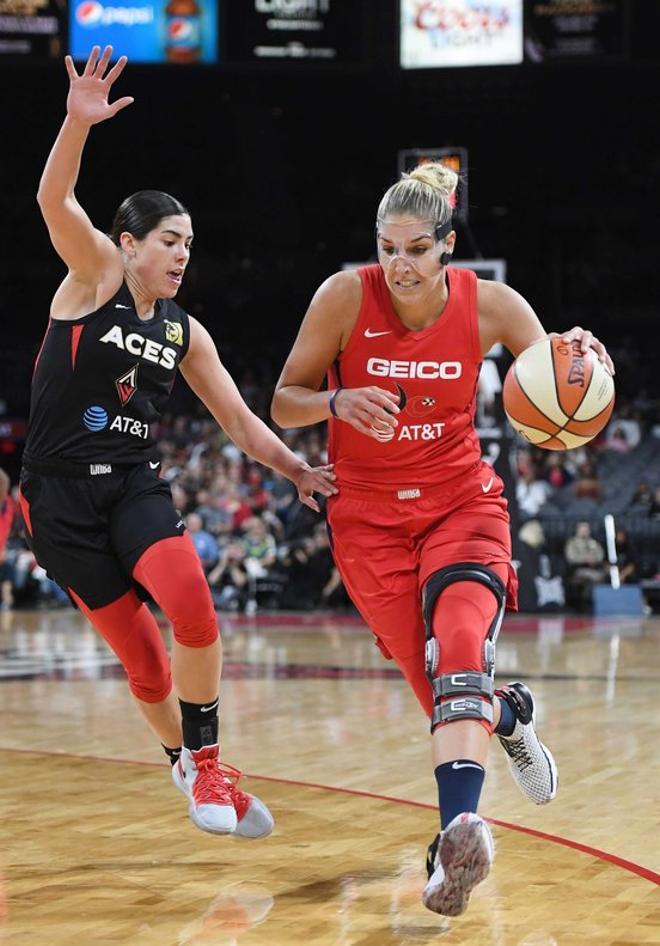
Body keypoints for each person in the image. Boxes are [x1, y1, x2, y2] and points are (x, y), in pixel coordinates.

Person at [271, 162, 614, 916]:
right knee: (439, 692)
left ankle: (454, 838)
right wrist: (336, 397)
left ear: (447, 246)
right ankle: (510, 714)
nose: (399, 263)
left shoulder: (490, 305)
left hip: (460, 503)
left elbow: (558, 368)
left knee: (459, 649)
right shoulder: (342, 297)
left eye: (417, 249)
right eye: (387, 247)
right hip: (366, 520)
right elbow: (284, 403)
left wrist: (581, 357)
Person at [20, 46, 337, 840]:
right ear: (129, 243)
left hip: (131, 483)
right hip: (56, 500)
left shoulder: (185, 331)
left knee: (194, 607)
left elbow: (239, 421)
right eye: (169, 239)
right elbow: (52, 196)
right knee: (147, 666)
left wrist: (295, 466)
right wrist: (75, 121)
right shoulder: (91, 275)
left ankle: (209, 762)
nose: (182, 253)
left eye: (190, 243)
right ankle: (186, 767)